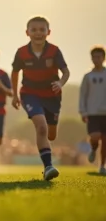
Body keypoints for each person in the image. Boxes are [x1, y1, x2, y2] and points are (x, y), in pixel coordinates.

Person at [11, 16, 70, 181]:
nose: (38, 33)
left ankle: (47, 156)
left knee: (51, 134)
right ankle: (48, 167)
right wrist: (15, 95)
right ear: (27, 32)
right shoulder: (21, 52)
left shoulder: (54, 51)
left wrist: (60, 82)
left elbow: (66, 72)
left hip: (52, 96)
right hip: (29, 94)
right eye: (34, 30)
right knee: (41, 127)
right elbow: (15, 73)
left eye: (42, 30)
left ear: (48, 32)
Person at [79, 45, 106, 174]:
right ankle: (93, 148)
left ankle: (102, 166)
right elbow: (83, 94)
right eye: (94, 57)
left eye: (99, 57)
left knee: (105, 141)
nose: (96, 59)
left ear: (103, 58)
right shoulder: (87, 77)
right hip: (92, 112)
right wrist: (83, 111)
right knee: (95, 137)